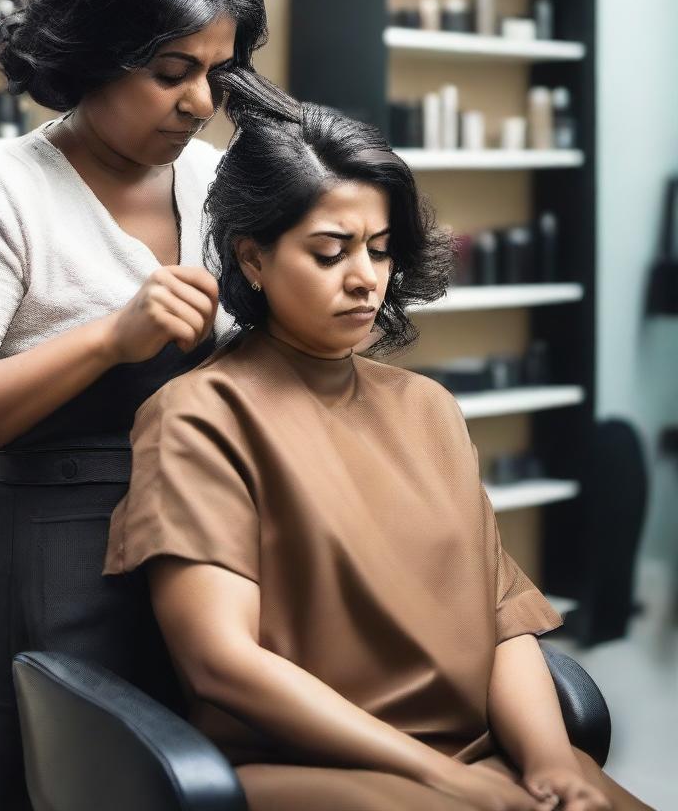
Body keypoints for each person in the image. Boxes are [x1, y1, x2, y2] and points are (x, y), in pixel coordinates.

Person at [104, 73, 657, 811]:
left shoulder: (427, 409)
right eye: (331, 252)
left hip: (475, 757)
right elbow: (220, 663)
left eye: (380, 248)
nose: (366, 279)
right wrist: (441, 778)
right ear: (252, 260)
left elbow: (501, 626)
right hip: (312, 770)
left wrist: (553, 760)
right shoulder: (198, 417)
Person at [0, 0, 268, 809]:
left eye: (217, 72)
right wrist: (106, 340)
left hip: (210, 553)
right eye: (173, 71)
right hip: (60, 567)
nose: (200, 103)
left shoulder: (218, 184)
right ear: (92, 52)